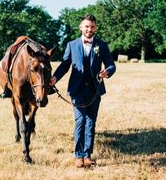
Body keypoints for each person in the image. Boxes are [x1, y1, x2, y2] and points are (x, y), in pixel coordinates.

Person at [49, 14, 116, 168]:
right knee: (80, 121)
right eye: (86, 26)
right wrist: (54, 78)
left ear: (95, 28)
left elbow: (111, 65)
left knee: (91, 122)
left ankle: (87, 155)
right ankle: (78, 155)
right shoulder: (71, 45)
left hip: (95, 89)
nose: (89, 29)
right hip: (76, 89)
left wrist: (107, 72)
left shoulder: (102, 45)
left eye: (92, 27)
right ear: (81, 27)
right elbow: (64, 65)